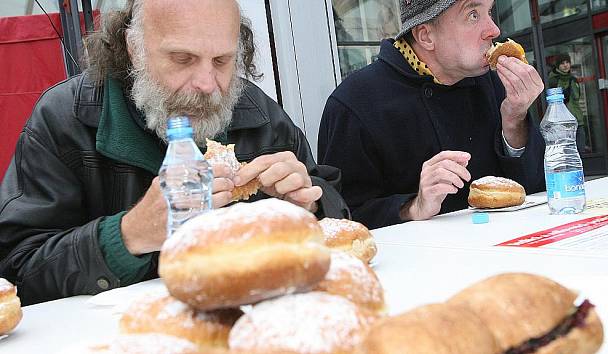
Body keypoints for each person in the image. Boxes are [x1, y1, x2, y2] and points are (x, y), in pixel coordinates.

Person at [0, 0, 348, 305]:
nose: (207, 84)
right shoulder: (66, 119)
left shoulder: (257, 113)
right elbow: (18, 269)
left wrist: (310, 206)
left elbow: (339, 211)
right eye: (183, 59)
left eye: (222, 61)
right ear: (133, 48)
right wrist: (127, 234)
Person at [318, 0, 546, 229]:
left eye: (489, 12)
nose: (494, 30)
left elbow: (535, 192)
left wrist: (514, 120)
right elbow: (340, 220)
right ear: (426, 36)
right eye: (473, 15)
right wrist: (412, 207)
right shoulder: (355, 103)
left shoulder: (494, 82)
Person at [548, 53, 587, 153]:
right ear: (557, 66)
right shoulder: (553, 80)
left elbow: (577, 98)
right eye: (562, 63)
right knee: (568, 152)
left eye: (567, 62)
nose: (565, 65)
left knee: (580, 150)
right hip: (563, 122)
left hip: (578, 120)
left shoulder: (573, 79)